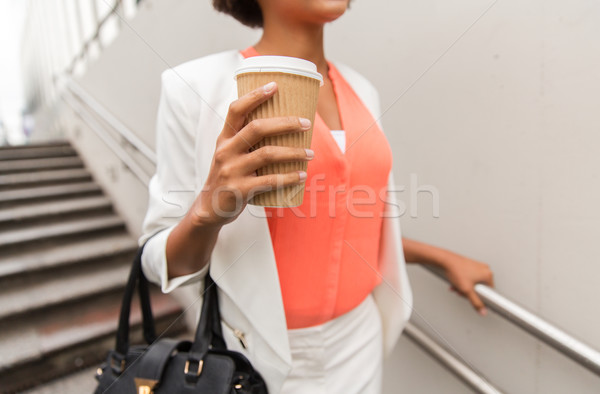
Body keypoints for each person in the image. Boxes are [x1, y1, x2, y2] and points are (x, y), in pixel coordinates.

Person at [138, 1, 495, 392]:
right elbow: (157, 260)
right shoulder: (194, 87)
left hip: (360, 342)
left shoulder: (363, 90)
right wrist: (208, 211)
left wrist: (441, 258)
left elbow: (346, 228)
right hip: (258, 360)